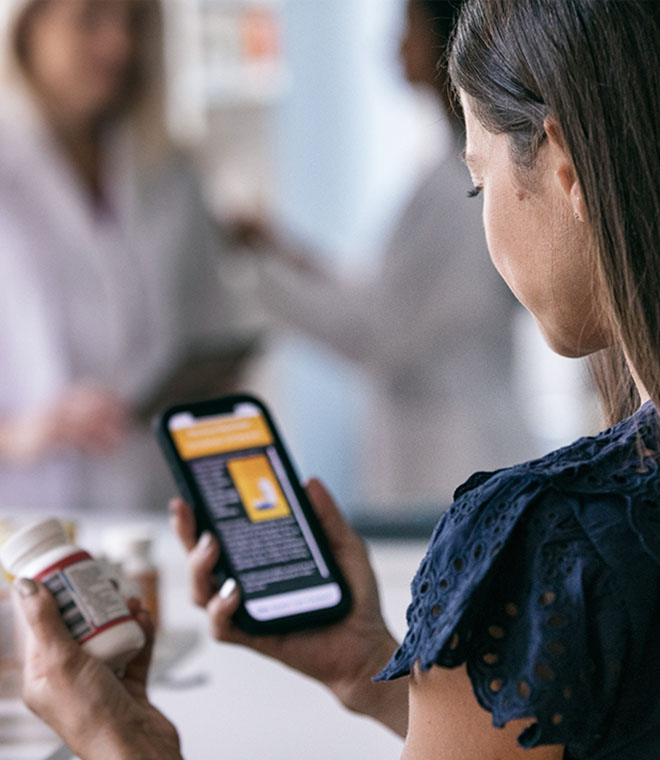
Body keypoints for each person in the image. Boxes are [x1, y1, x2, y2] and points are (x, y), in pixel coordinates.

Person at [12, 0, 660, 757]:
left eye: (477, 185)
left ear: (563, 165)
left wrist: (117, 743)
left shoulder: (543, 551)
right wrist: (372, 672)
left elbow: (378, 323)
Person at [245, 0, 529, 509]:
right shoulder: (447, 168)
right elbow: (386, 293)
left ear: (450, 39)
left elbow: (377, 329)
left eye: (409, 29)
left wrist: (250, 282)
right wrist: (284, 254)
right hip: (446, 449)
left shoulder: (458, 185)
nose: (396, 46)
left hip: (455, 457)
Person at [0, 0, 243, 515]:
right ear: (26, 27)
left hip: (162, 501)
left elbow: (211, 326)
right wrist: (26, 434)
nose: (118, 45)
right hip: (31, 513)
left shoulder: (171, 169)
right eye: (90, 19)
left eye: (132, 22)